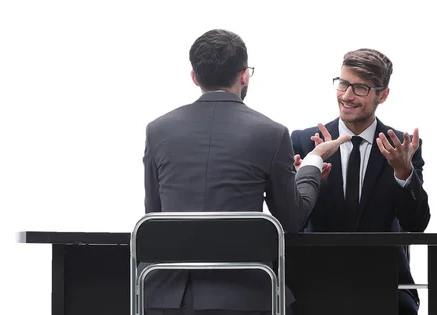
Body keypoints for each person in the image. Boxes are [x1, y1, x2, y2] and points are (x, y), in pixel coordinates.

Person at [142, 29, 351, 315]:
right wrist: (313, 163)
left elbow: (154, 216)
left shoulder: (157, 130)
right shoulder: (272, 133)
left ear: (194, 77)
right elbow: (291, 220)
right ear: (244, 76)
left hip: (168, 298)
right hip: (248, 297)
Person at [290, 48, 431, 315]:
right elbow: (290, 222)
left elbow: (416, 224)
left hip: (385, 290)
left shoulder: (402, 146)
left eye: (360, 88)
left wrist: (404, 174)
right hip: (314, 288)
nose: (346, 96)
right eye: (343, 84)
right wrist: (306, 181)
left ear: (383, 94)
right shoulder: (303, 142)